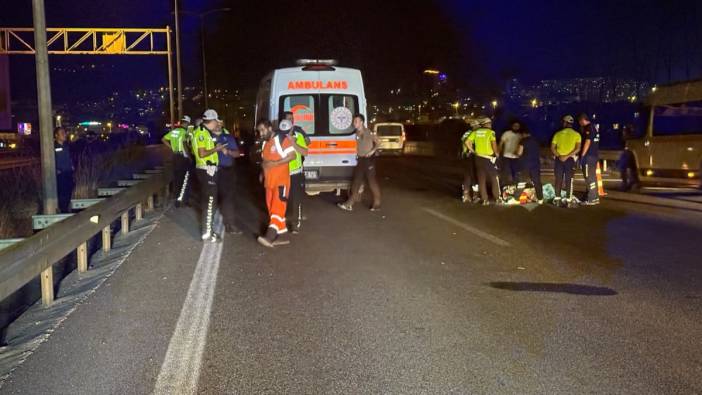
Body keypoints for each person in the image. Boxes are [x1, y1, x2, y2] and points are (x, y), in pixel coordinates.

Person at [257, 119, 296, 248]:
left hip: (281, 182)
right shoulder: (265, 144)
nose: (261, 133)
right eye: (259, 131)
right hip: (269, 183)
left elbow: (292, 156)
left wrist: (276, 164)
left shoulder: (281, 139)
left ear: (269, 128)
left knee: (277, 209)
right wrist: (263, 173)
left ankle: (269, 237)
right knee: (271, 209)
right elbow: (265, 161)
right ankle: (282, 235)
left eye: (262, 130)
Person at [192, 109, 226, 242]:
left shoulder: (205, 132)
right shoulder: (201, 133)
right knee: (210, 202)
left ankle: (208, 231)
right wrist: (216, 149)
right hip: (206, 171)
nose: (216, 124)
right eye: (216, 121)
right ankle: (207, 233)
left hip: (208, 170)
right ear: (211, 121)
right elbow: (201, 153)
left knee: (211, 201)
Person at [337, 114, 381, 211]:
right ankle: (349, 204)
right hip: (360, 160)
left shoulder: (369, 132)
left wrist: (372, 151)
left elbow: (378, 143)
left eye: (356, 121)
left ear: (361, 122)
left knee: (371, 182)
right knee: (356, 183)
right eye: (354, 121)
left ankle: (377, 204)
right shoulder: (355, 134)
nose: (354, 123)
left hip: (368, 160)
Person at [212, 120, 242, 234]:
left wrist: (227, 151)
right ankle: (210, 229)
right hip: (211, 171)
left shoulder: (228, 138)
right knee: (212, 199)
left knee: (228, 198)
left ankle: (231, 224)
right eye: (216, 123)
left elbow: (237, 154)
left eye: (221, 123)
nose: (219, 125)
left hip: (227, 172)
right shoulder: (207, 137)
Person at [466, 116, 501, 205]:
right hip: (488, 158)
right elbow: (494, 144)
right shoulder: (491, 132)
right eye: (490, 123)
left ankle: (485, 200)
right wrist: (497, 154)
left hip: (478, 158)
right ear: (487, 124)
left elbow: (467, 142)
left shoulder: (476, 132)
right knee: (494, 178)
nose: (491, 125)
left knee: (481, 179)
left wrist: (473, 151)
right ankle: (497, 198)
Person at [551, 115, 582, 205]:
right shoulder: (577, 135)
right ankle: (569, 201)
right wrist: (568, 156)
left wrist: (559, 156)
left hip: (558, 159)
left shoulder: (557, 134)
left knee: (558, 179)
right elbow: (578, 148)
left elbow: (552, 148)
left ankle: (557, 200)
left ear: (565, 122)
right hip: (570, 160)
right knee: (569, 180)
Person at [284, 120, 309, 233]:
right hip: (282, 173)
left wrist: (293, 143)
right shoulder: (278, 137)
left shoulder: (298, 136)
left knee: (295, 199)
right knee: (282, 199)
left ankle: (294, 224)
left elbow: (305, 152)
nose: (287, 131)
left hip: (295, 173)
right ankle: (281, 223)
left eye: (289, 128)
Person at [162, 115, 192, 207]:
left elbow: (163, 139)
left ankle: (177, 202)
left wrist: (172, 147)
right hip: (183, 158)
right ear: (186, 123)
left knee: (177, 179)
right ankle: (184, 201)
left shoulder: (174, 131)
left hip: (175, 156)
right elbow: (184, 144)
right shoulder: (185, 132)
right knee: (186, 180)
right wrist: (190, 157)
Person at [578, 113, 600, 205]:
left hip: (588, 156)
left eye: (579, 121)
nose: (579, 123)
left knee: (589, 177)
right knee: (591, 177)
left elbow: (587, 141)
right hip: (594, 155)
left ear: (583, 120)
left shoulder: (588, 128)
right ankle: (589, 196)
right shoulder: (594, 127)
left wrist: (582, 155)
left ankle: (592, 198)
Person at [517, 127, 544, 204]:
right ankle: (540, 199)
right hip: (535, 164)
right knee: (537, 182)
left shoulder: (523, 141)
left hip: (525, 164)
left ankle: (521, 199)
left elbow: (519, 153)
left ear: (523, 134)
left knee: (522, 181)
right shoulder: (536, 141)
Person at [54, 127, 74, 213]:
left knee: (69, 191)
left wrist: (72, 166)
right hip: (61, 174)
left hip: (69, 173)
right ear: (56, 136)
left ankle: (66, 209)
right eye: (62, 133)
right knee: (62, 193)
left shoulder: (67, 146)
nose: (64, 135)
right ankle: (63, 210)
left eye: (64, 133)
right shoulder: (54, 147)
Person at [460, 119, 480, 203]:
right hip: (470, 156)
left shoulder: (468, 133)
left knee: (472, 175)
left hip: (469, 156)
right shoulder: (471, 133)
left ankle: (470, 195)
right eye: (477, 126)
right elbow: (468, 144)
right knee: (471, 176)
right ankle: (469, 195)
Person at [499, 120, 523, 186]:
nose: (516, 127)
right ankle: (503, 186)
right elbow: (501, 143)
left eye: (517, 126)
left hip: (516, 157)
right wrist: (498, 152)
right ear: (512, 126)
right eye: (515, 126)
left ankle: (515, 186)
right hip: (506, 156)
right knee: (505, 172)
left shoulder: (520, 135)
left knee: (515, 172)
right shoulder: (507, 133)